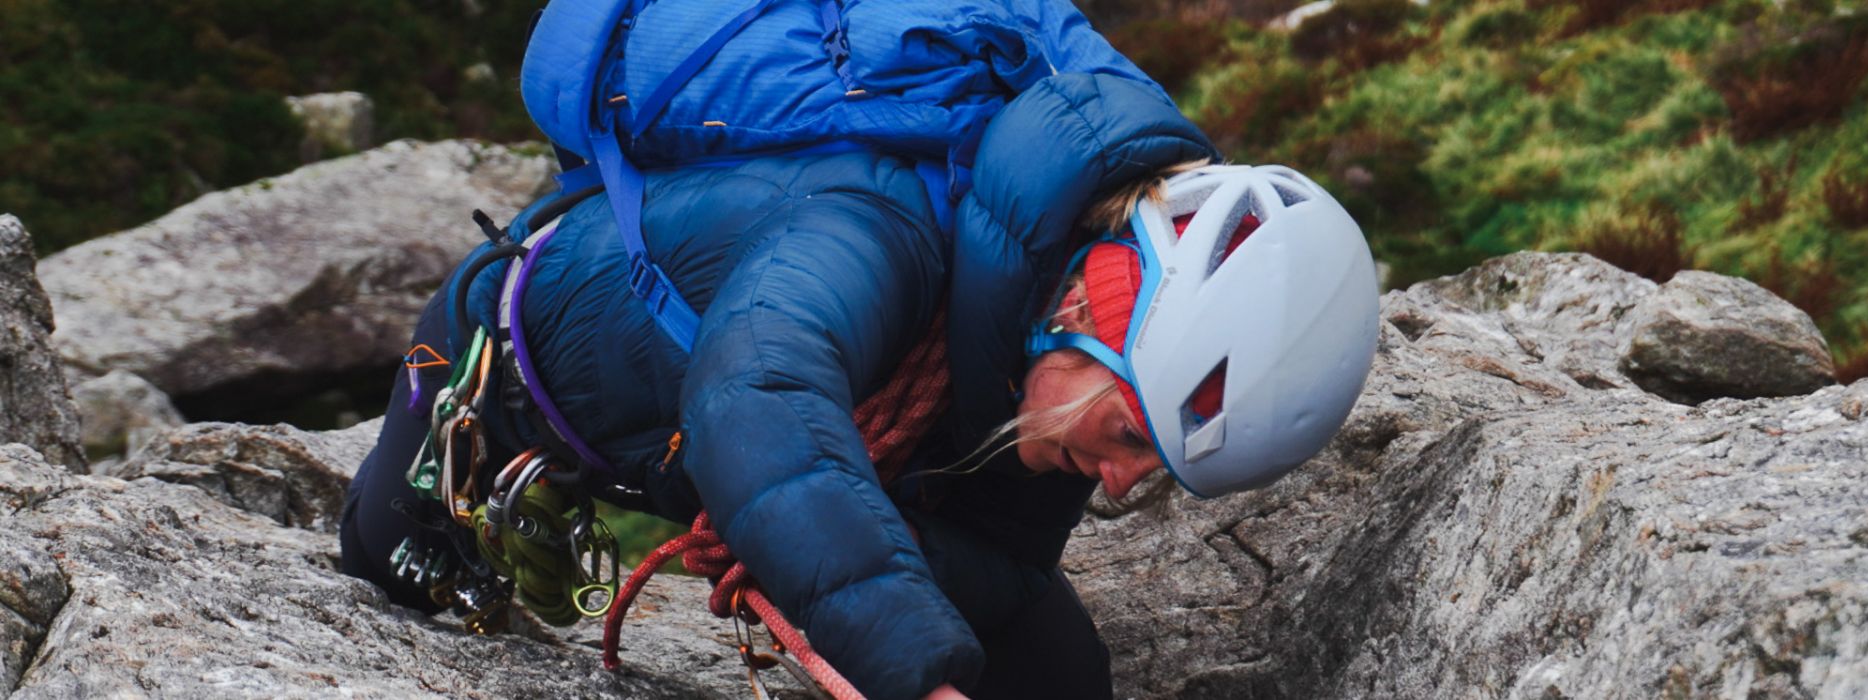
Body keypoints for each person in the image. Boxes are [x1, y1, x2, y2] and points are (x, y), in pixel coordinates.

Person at [338, 3, 1378, 699]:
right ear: (1102, 309)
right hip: (493, 382)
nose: (1117, 484)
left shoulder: (1028, 350)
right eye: (1131, 436)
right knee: (388, 577)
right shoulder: (875, 227)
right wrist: (919, 676)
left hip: (660, 437)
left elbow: (1005, 570)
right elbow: (755, 398)